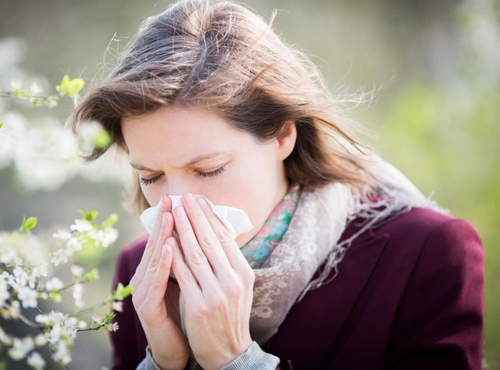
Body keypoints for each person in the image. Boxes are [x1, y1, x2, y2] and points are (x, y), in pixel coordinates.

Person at [70, 0, 485, 369]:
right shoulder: (139, 274)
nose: (177, 206)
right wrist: (161, 364)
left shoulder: (425, 254)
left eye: (209, 168)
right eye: (152, 177)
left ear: (283, 135)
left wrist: (237, 362)